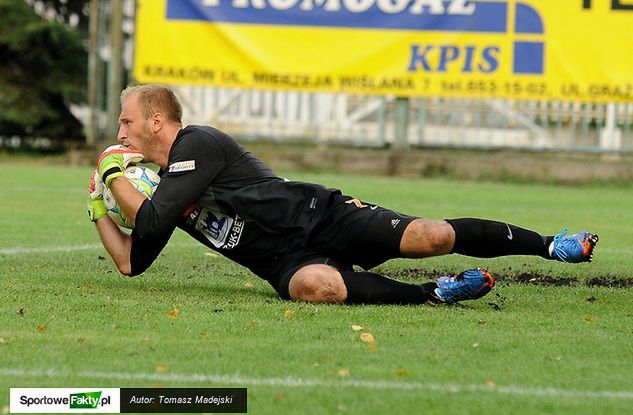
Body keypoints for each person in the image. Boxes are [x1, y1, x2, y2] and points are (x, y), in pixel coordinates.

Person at [87, 84, 599, 305]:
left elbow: (152, 221)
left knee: (433, 235)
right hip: (284, 261)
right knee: (318, 288)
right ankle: (434, 294)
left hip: (322, 216)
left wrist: (112, 174)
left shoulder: (197, 143)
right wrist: (97, 210)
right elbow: (132, 260)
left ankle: (550, 244)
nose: (120, 130)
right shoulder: (165, 187)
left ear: (157, 121)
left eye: (127, 120)